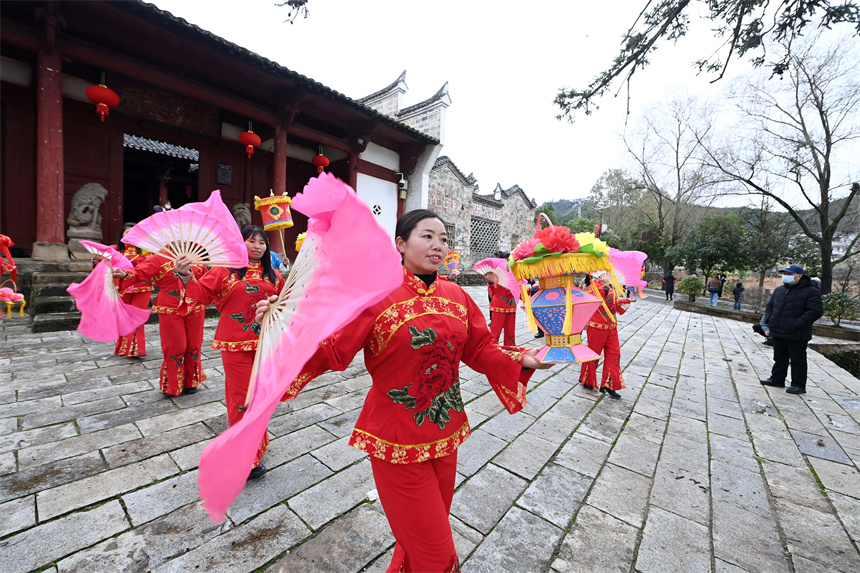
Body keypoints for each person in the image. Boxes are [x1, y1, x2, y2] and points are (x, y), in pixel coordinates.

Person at [258, 209, 550, 572]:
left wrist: (525, 359)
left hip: (446, 436)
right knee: (437, 555)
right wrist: (279, 330)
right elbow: (332, 349)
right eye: (427, 236)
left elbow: (479, 349)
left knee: (422, 536)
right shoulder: (374, 296)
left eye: (443, 239)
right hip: (395, 443)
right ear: (401, 243)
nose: (438, 245)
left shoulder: (457, 295)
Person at [185, 226, 284, 478]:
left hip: (266, 344)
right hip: (235, 345)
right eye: (252, 241)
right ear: (240, 243)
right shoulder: (224, 271)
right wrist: (184, 275)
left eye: (262, 243)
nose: (257, 246)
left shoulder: (273, 276)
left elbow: (287, 302)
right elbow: (201, 295)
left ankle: (257, 444)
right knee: (241, 400)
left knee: (261, 398)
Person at [114, 250, 207, 397]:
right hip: (170, 307)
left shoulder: (197, 258)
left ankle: (191, 382)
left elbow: (206, 282)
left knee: (194, 346)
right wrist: (124, 274)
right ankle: (171, 384)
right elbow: (139, 272)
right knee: (175, 347)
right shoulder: (159, 258)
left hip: (196, 306)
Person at [759, 264, 823, 395]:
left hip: (797, 333)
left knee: (797, 360)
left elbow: (815, 311)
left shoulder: (811, 292)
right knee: (779, 357)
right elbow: (770, 306)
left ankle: (798, 385)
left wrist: (797, 324)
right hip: (778, 330)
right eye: (785, 274)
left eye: (789, 274)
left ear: (799, 276)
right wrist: (770, 320)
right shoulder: (780, 290)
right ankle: (777, 379)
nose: (786, 277)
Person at [579, 271, 631, 398]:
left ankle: (608, 384)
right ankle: (587, 380)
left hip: (611, 326)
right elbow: (599, 303)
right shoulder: (594, 286)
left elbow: (614, 303)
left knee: (615, 354)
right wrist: (607, 286)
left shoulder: (606, 285)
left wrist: (626, 299)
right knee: (593, 354)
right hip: (597, 326)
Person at [113, 223, 152, 358]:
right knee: (123, 317)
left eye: (133, 232)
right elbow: (104, 266)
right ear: (122, 235)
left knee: (136, 317)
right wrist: (95, 262)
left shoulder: (147, 250)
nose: (129, 234)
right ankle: (122, 347)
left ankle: (135, 349)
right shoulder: (116, 251)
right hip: (123, 288)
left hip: (143, 288)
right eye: (126, 232)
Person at [486, 271, 517, 346]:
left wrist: (530, 290)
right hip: (499, 306)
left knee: (510, 331)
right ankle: (492, 348)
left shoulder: (515, 274)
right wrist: (490, 282)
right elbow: (493, 290)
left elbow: (519, 291)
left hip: (511, 305)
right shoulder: (496, 274)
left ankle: (510, 348)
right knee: (495, 331)